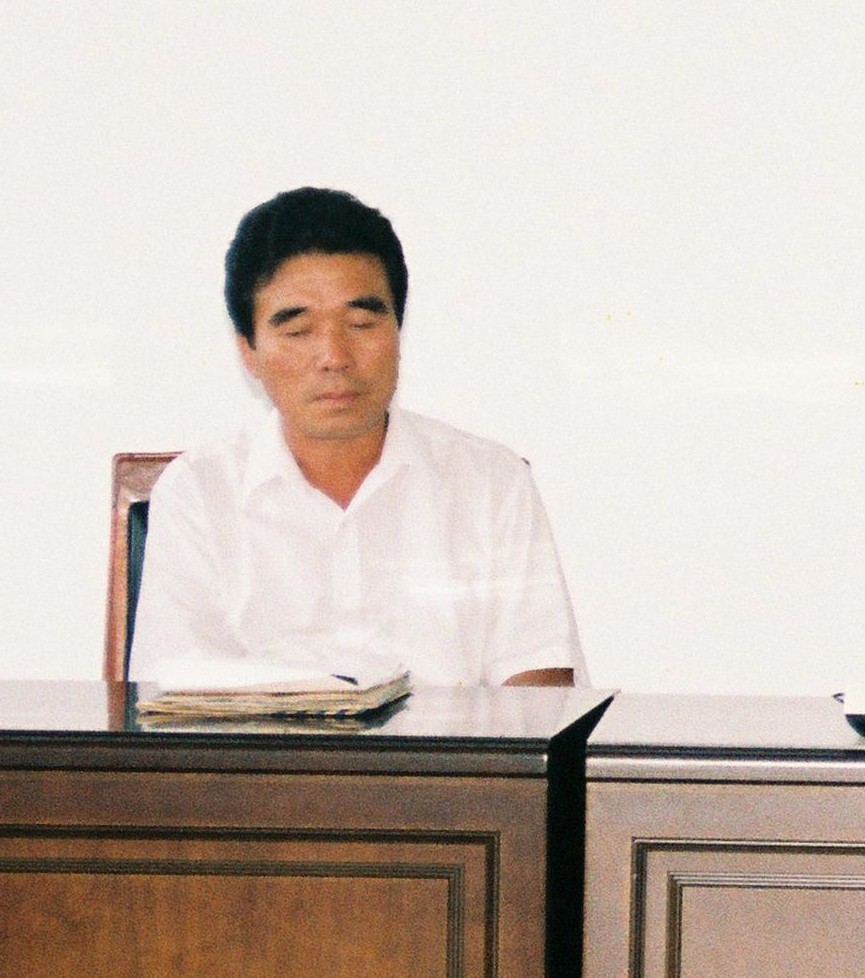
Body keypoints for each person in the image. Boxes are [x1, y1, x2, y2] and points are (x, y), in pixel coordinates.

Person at [130, 186, 581, 688]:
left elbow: (539, 697)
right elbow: (174, 695)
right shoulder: (199, 493)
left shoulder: (491, 484)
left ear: (398, 333)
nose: (334, 357)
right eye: (298, 331)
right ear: (248, 352)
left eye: (361, 323)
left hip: (450, 745)